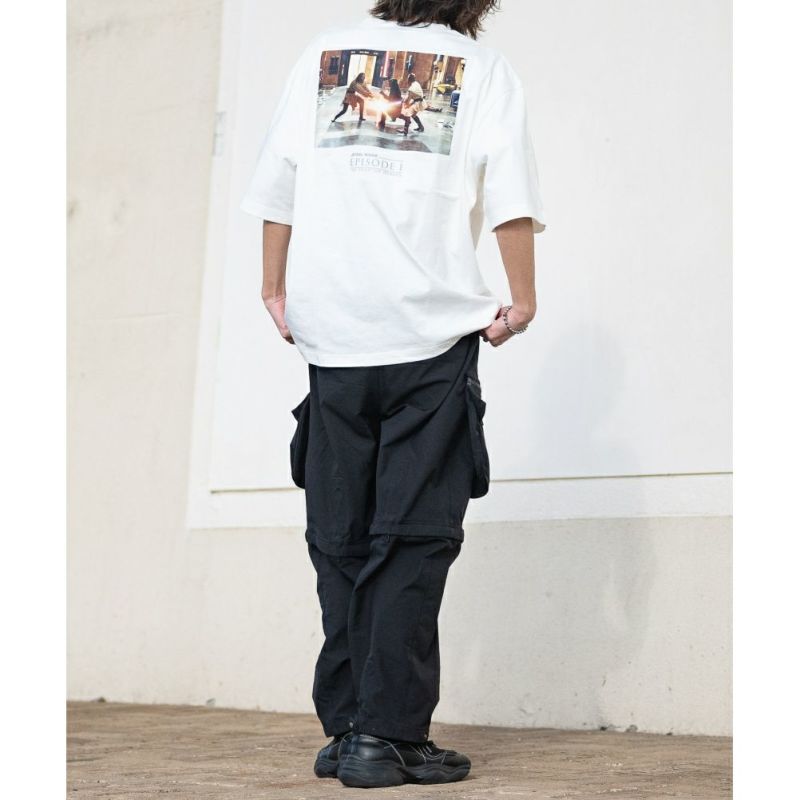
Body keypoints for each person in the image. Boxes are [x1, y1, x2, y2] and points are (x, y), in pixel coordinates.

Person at [241, 0, 546, 788]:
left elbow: (279, 184)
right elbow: (511, 196)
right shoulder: (483, 69)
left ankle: (348, 731)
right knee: (412, 535)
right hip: (429, 336)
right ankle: (387, 736)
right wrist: (521, 299)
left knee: (340, 534)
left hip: (334, 337)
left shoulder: (324, 53)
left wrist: (275, 288)